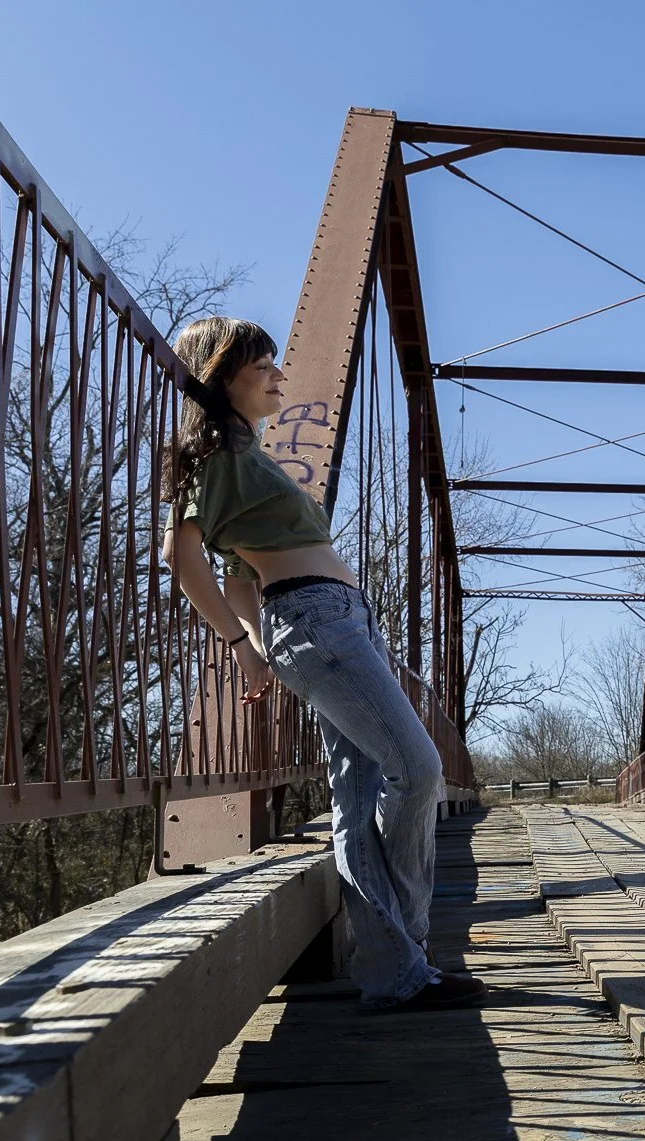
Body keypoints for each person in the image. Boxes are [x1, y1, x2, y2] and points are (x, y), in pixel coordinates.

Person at [160, 316, 486, 1012]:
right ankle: (408, 945)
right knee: (420, 767)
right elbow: (183, 561)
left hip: (331, 622)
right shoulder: (216, 455)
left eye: (278, 362)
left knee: (360, 799)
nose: (279, 375)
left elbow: (242, 574)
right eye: (261, 365)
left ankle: (395, 973)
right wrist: (245, 648)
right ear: (220, 378)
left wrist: (262, 649)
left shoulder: (249, 455)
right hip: (316, 622)